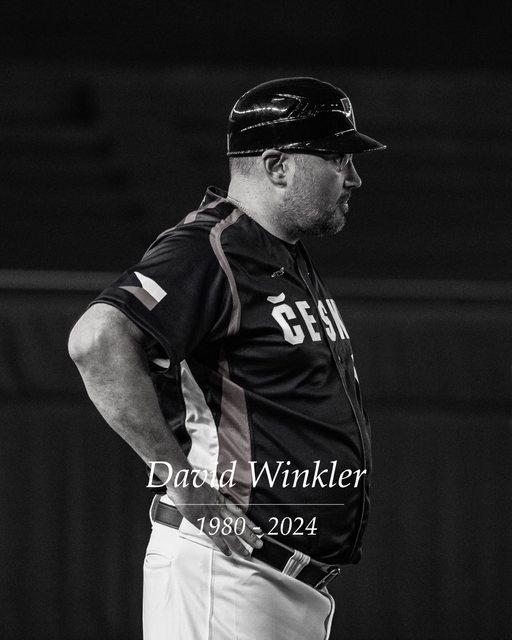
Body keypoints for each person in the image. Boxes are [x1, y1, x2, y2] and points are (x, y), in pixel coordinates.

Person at [68, 76, 386, 640]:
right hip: (229, 572)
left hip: (273, 581)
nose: (353, 177)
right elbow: (97, 341)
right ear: (278, 165)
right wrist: (185, 486)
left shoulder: (278, 253)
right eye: (338, 159)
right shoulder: (210, 246)